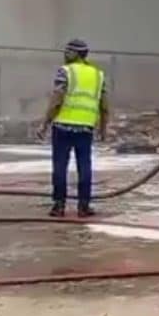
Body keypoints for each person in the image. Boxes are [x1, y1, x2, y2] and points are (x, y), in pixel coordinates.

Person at [37, 38, 109, 218]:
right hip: (85, 127)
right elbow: (104, 105)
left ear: (76, 54)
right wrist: (103, 128)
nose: (65, 55)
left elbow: (57, 99)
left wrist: (45, 123)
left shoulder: (66, 71)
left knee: (60, 166)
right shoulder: (98, 75)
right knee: (85, 166)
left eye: (67, 52)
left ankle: (59, 206)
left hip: (63, 126)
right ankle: (83, 207)